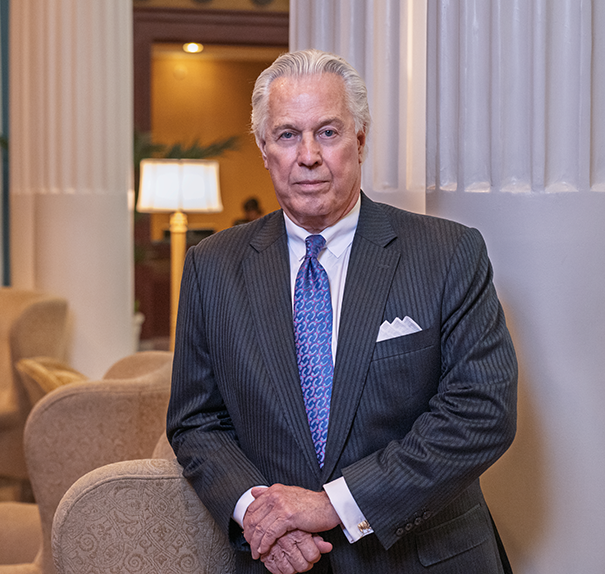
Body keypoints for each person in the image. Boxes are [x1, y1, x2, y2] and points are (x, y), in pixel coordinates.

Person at [166, 49, 518, 574]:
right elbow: (197, 421)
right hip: (284, 563)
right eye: (288, 135)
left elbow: (482, 411)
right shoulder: (211, 267)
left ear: (360, 139)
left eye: (327, 132)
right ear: (264, 149)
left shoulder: (448, 253)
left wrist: (334, 505)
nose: (308, 155)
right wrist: (261, 519)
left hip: (424, 560)